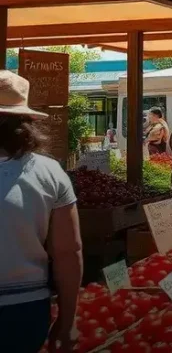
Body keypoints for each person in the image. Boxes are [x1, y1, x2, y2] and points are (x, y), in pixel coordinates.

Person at [0, 71, 82, 353]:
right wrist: (68, 319)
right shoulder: (49, 173)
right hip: (24, 311)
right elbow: (68, 252)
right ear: (27, 122)